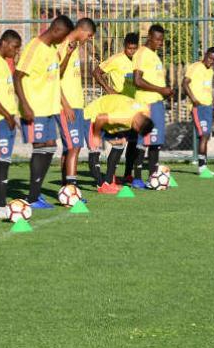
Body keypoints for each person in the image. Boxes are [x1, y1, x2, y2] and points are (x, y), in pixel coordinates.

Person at [14, 15, 74, 208]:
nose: (63, 41)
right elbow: (17, 76)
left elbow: (57, 73)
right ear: (56, 30)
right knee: (41, 147)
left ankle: (35, 193)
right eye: (63, 36)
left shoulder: (54, 49)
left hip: (49, 108)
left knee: (50, 147)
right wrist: (25, 105)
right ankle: (32, 197)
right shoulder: (35, 47)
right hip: (35, 108)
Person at [89, 32, 139, 192]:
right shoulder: (116, 59)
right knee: (118, 141)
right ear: (125, 47)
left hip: (132, 107)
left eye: (134, 48)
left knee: (129, 142)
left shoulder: (140, 61)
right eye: (129, 48)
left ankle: (122, 176)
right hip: (117, 106)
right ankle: (106, 181)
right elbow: (96, 72)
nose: (131, 51)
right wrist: (109, 89)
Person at [130, 24, 173, 189]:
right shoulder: (142, 54)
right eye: (157, 39)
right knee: (143, 142)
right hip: (146, 104)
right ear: (149, 37)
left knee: (155, 142)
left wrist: (165, 92)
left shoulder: (154, 55)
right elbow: (137, 80)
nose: (160, 42)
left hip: (156, 102)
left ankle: (153, 177)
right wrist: (161, 89)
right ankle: (137, 178)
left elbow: (154, 80)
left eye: (162, 40)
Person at [55, 18, 96, 190]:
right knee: (74, 146)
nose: (89, 39)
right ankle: (71, 189)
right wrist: (65, 104)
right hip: (67, 106)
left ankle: (66, 188)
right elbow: (55, 77)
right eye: (90, 36)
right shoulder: (62, 46)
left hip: (77, 106)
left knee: (71, 147)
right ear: (83, 31)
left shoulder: (75, 47)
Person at [0, 30, 22, 219]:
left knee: (2, 163)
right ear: (6, 43)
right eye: (15, 47)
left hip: (6, 119)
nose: (16, 52)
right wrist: (6, 115)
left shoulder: (3, 63)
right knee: (1, 164)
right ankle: (1, 207)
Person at [85, 93, 154, 182]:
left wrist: (117, 139)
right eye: (137, 131)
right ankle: (101, 185)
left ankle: (109, 181)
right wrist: (96, 136)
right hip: (93, 116)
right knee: (94, 148)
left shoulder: (144, 110)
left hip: (108, 115)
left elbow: (147, 108)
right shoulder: (125, 116)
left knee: (120, 143)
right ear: (137, 126)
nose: (136, 132)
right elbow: (100, 118)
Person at [183, 47, 214, 176]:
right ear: (205, 55)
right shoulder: (196, 67)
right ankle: (201, 167)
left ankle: (204, 166)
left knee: (206, 136)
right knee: (203, 135)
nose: (211, 61)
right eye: (210, 58)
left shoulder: (210, 71)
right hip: (198, 107)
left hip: (208, 107)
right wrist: (194, 100)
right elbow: (185, 83)